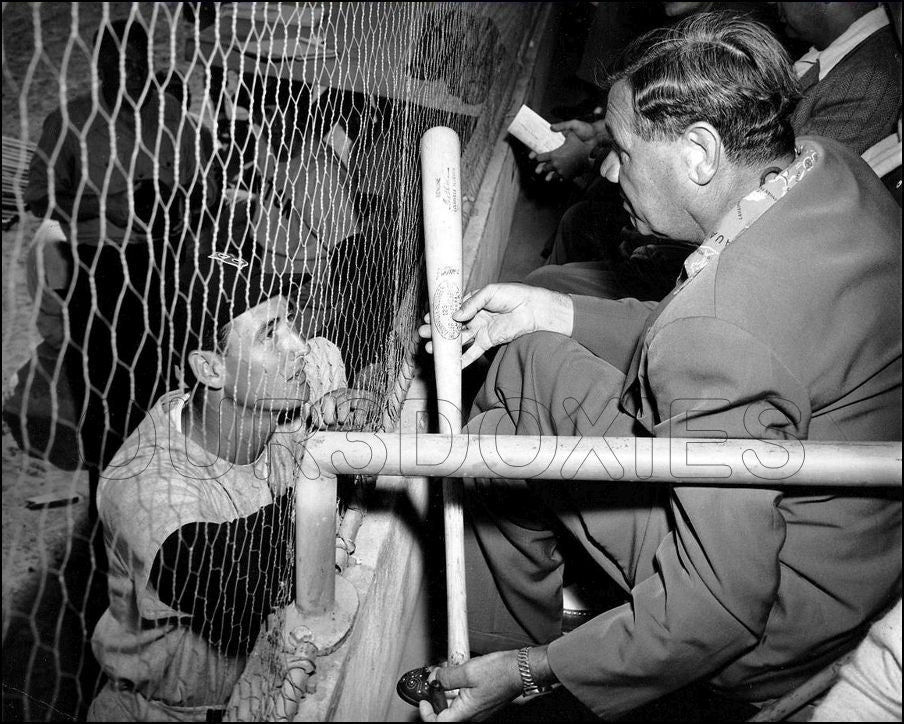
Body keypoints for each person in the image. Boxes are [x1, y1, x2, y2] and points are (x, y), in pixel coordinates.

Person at [415, 13, 902, 721]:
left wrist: (528, 672)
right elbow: (754, 337)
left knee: (504, 412)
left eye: (623, 150)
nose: (610, 172)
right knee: (516, 387)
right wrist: (552, 312)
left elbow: (719, 608)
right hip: (867, 557)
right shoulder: (828, 167)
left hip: (778, 624)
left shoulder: (718, 330)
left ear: (701, 154)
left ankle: (496, 667)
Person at [87, 245, 373, 721]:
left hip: (265, 681)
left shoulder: (293, 385)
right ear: (210, 368)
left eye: (289, 321)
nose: (299, 346)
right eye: (270, 334)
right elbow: (244, 584)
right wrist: (327, 449)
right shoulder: (144, 489)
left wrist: (341, 417)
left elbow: (335, 364)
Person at [531, 2, 901, 302]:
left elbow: (766, 183)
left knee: (561, 265)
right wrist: (601, 137)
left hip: (721, 255)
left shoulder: (872, 80)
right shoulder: (827, 51)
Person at [23, 18, 212, 470]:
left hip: (160, 264)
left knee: (159, 380)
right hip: (97, 268)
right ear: (98, 64)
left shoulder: (173, 117)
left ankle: (159, 474)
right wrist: (104, 206)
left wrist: (173, 210)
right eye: (112, 61)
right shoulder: (70, 121)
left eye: (133, 60)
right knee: (99, 384)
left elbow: (197, 190)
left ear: (149, 61)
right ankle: (103, 481)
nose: (124, 70)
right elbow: (38, 197)